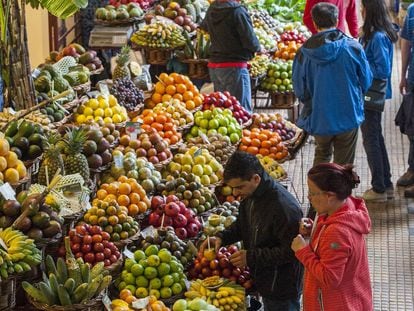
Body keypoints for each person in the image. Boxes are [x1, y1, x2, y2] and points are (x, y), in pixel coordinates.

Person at [200, 151, 303, 311]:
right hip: (265, 278)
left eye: (239, 187)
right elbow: (243, 225)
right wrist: (222, 237)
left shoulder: (283, 208)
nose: (235, 193)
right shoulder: (250, 196)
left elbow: (291, 252)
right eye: (232, 188)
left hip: (281, 286)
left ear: (256, 179)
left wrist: (250, 257)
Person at [292, 2, 372, 166]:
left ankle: (317, 191)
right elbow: (366, 80)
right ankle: (341, 192)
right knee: (343, 166)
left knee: (321, 156)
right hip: (348, 115)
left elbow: (300, 90)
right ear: (336, 20)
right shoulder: (353, 48)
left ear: (314, 23)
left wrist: (312, 103)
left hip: (319, 117)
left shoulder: (303, 53)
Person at [291, 163, 373, 310]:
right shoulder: (345, 208)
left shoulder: (337, 232)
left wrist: (302, 251)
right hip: (353, 296)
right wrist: (314, 229)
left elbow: (330, 278)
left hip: (334, 304)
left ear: (329, 196)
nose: (309, 197)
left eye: (312, 192)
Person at [359, 0, 398, 202]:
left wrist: (360, 70)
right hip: (371, 95)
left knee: (371, 139)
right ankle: (385, 182)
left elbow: (382, 70)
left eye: (362, 8)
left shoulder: (377, 37)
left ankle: (379, 187)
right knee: (375, 137)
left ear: (368, 11)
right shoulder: (373, 35)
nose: (360, 11)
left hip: (371, 95)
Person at [199, 0, 260, 113]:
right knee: (241, 112)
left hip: (215, 66)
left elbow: (204, 27)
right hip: (234, 66)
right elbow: (250, 40)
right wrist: (258, 48)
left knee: (223, 109)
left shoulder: (213, 8)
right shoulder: (238, 11)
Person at [398, 3, 414, 197]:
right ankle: (412, 169)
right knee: (411, 127)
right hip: (413, 79)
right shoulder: (412, 10)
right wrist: (403, 74)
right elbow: (406, 42)